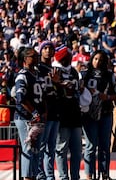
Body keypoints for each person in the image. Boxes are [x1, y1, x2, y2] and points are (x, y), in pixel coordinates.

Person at [81, 50, 116, 180]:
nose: (98, 62)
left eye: (101, 60)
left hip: (105, 113)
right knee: (90, 145)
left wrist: (106, 96)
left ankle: (104, 173)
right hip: (88, 114)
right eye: (95, 58)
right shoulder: (84, 74)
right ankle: (89, 174)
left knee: (104, 145)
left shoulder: (110, 75)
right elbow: (77, 91)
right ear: (91, 59)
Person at [14, 47, 46, 180]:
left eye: (37, 55)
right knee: (28, 148)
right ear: (25, 59)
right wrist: (33, 112)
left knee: (36, 150)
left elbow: (43, 96)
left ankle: (33, 176)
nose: (37, 57)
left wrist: (44, 112)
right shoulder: (22, 75)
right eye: (33, 56)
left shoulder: (38, 74)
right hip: (25, 117)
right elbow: (21, 98)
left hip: (37, 118)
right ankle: (27, 177)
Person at [53, 45, 82, 180]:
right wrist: (60, 85)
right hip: (62, 115)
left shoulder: (74, 72)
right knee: (61, 149)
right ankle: (64, 177)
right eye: (67, 56)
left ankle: (75, 176)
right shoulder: (55, 71)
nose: (69, 58)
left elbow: (77, 90)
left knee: (77, 150)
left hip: (75, 114)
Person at [36, 41, 61, 180]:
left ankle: (50, 175)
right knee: (41, 146)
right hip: (43, 112)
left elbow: (59, 91)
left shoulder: (55, 69)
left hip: (55, 111)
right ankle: (40, 175)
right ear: (40, 51)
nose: (48, 50)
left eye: (50, 48)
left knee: (51, 147)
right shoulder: (37, 68)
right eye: (45, 48)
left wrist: (57, 83)